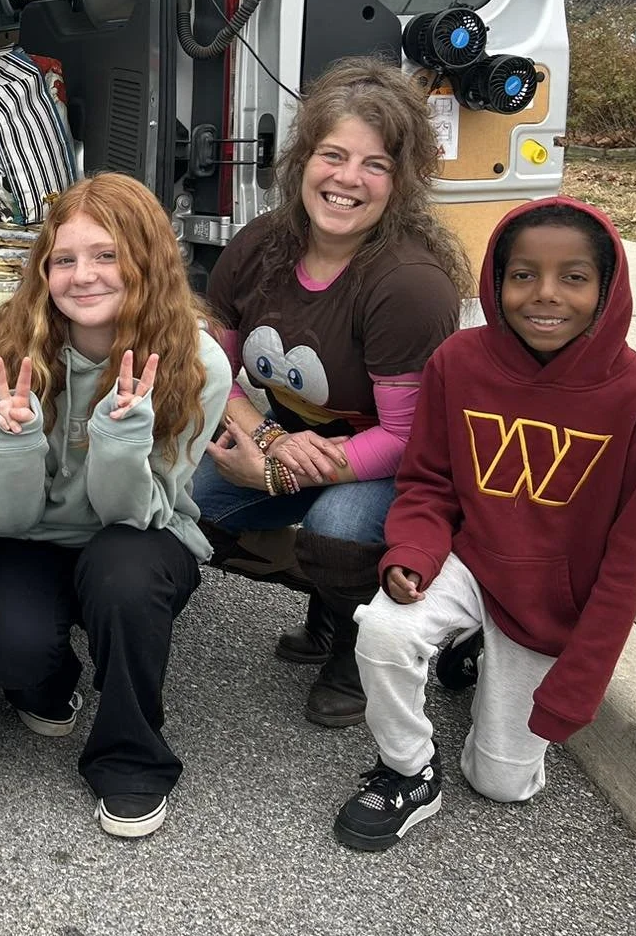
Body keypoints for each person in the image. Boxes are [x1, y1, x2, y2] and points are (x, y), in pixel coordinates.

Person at [332, 199, 636, 852]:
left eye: (573, 277)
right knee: (382, 628)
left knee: (501, 784)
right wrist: (412, 550)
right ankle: (409, 773)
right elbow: (429, 481)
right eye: (523, 275)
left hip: (551, 601)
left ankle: (482, 656)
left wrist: (575, 686)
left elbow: (631, 561)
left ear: (607, 287)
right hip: (471, 560)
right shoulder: (459, 362)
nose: (545, 295)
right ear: (496, 282)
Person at [193, 57, 468, 727]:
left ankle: (356, 640)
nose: (348, 178)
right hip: (294, 446)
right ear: (303, 159)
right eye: (333, 154)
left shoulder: (407, 284)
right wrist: (267, 439)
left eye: (375, 165)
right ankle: (328, 593)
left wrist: (279, 475)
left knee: (339, 527)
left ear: (402, 181)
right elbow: (211, 368)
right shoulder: (261, 245)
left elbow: (408, 438)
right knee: (185, 495)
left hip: (397, 469)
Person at [0, 174, 231, 840]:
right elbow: (12, 521)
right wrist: (14, 437)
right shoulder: (15, 345)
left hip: (138, 533)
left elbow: (131, 513)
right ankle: (53, 679)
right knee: (11, 649)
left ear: (146, 258)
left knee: (123, 575)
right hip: (38, 535)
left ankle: (131, 759)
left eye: (107, 255)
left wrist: (118, 435)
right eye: (64, 259)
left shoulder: (196, 361)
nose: (83, 276)